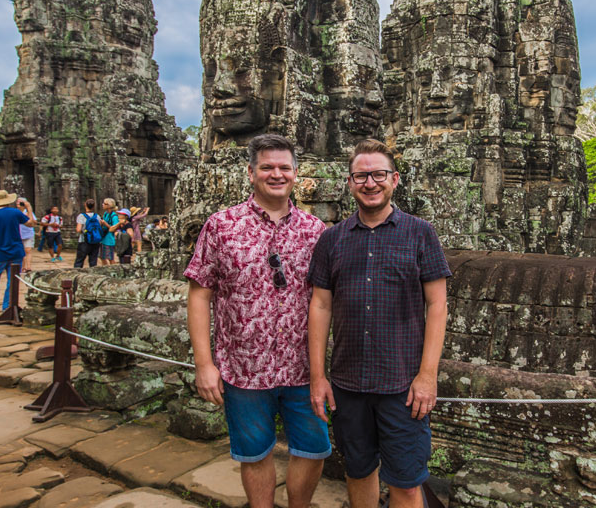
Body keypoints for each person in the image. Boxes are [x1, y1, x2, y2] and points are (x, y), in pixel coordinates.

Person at [185, 134, 329, 508]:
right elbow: (200, 294)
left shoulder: (317, 233)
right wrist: (204, 364)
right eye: (267, 167)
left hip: (303, 369)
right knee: (254, 454)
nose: (276, 174)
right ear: (251, 173)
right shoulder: (221, 226)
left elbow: (328, 301)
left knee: (313, 450)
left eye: (284, 167)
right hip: (244, 368)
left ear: (297, 174)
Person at [307, 139, 451, 508]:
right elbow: (320, 306)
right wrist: (319, 377)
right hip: (347, 384)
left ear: (395, 179)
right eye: (361, 176)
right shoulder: (331, 239)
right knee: (358, 472)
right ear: (350, 182)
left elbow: (437, 305)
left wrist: (428, 375)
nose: (370, 183)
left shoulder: (420, 233)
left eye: (378, 174)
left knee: (405, 482)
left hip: (402, 386)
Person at [74, 199, 102, 268]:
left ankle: (77, 275)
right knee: (93, 261)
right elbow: (99, 227)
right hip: (95, 241)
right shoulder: (97, 216)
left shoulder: (81, 216)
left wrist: (84, 232)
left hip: (84, 241)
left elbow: (78, 229)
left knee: (79, 261)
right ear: (93, 206)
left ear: (85, 205)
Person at [99, 198, 119, 266]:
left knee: (110, 258)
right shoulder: (106, 214)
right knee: (102, 257)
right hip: (103, 238)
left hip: (109, 239)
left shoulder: (114, 216)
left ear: (109, 205)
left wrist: (105, 224)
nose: (102, 204)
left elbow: (114, 228)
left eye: (104, 203)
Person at [17, 197, 35, 273]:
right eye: (17, 202)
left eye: (20, 202)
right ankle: (23, 266)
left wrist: (29, 210)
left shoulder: (28, 212)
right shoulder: (15, 212)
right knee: (21, 251)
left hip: (27, 233)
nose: (18, 203)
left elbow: (33, 223)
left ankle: (28, 266)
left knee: (28, 250)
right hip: (18, 233)